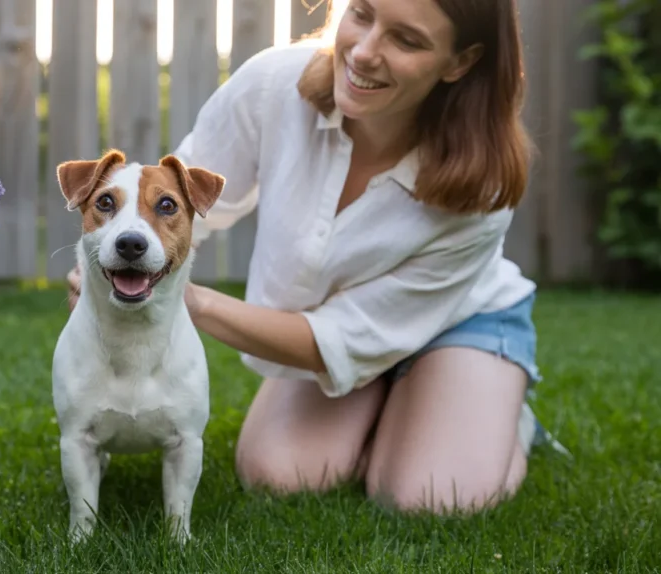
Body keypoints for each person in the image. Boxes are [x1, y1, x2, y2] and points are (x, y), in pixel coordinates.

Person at [64, 0, 567, 514]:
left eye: (406, 40)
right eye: (362, 13)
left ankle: (502, 416)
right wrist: (113, 265)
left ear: (460, 61)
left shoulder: (482, 188)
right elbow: (175, 207)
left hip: (457, 321)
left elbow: (341, 339)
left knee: (428, 496)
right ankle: (393, 407)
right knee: (279, 473)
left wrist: (189, 302)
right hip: (328, 323)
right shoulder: (272, 83)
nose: (364, 52)